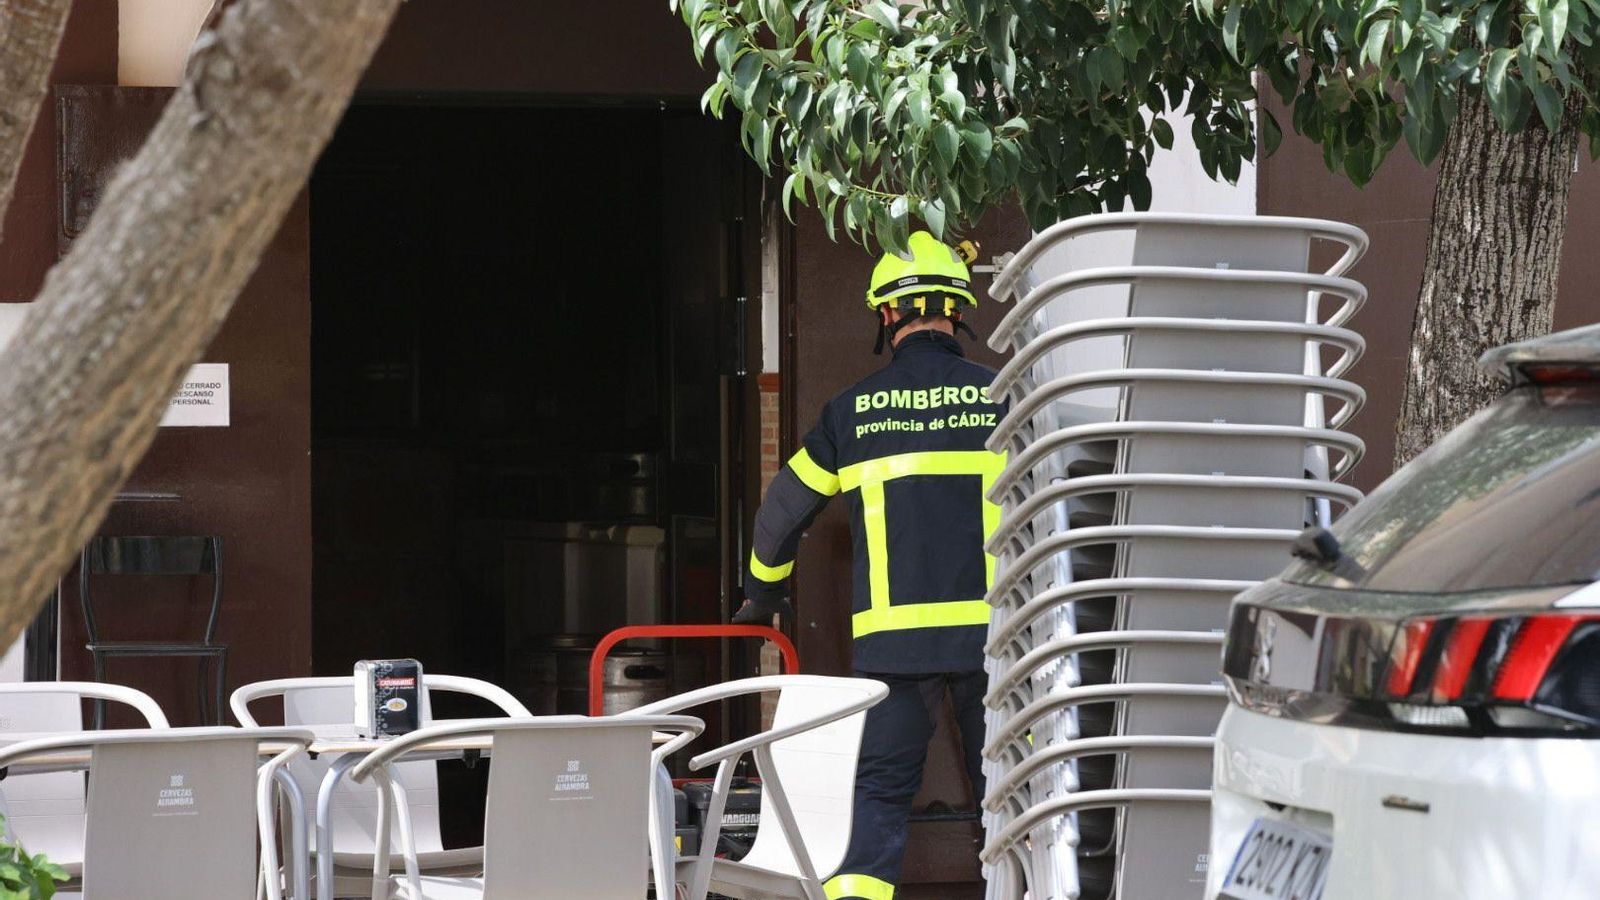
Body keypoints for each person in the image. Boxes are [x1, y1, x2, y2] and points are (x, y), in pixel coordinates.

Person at [733, 231, 1005, 900]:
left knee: (878, 799)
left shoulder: (850, 413)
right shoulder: (1006, 396)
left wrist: (760, 595)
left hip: (893, 649)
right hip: (998, 645)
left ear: (887, 315)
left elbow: (780, 514)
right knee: (1012, 800)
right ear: (958, 309)